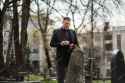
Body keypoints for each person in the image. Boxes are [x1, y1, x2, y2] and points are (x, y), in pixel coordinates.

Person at [50, 17, 78, 83]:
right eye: (65, 23)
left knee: (71, 78)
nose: (67, 25)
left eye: (68, 24)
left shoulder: (73, 32)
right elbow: (51, 44)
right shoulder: (56, 31)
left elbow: (76, 44)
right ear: (63, 22)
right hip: (60, 58)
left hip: (71, 58)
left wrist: (72, 45)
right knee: (60, 78)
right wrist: (60, 43)